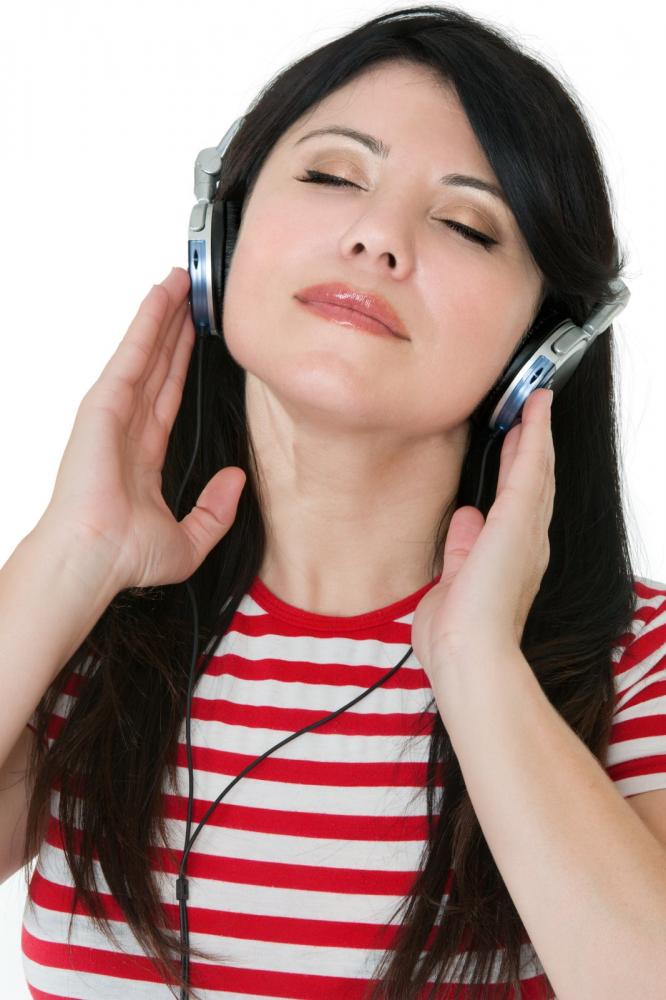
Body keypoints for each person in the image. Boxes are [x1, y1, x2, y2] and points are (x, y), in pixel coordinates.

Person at [1, 5, 664, 999]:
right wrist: (70, 555)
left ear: (546, 347)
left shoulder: (634, 660)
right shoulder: (82, 626)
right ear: (218, 232)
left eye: (465, 223)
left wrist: (478, 668)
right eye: (332, 175)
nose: (376, 239)